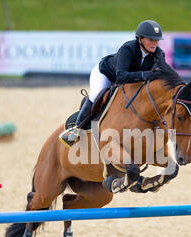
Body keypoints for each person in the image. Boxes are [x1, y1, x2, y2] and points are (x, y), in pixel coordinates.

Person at [59, 19, 165, 147]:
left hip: (129, 81)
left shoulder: (159, 54)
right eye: (151, 39)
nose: (154, 43)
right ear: (140, 39)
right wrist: (145, 75)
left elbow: (163, 76)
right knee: (96, 95)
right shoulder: (128, 49)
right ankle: (76, 129)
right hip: (105, 74)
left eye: (156, 40)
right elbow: (121, 77)